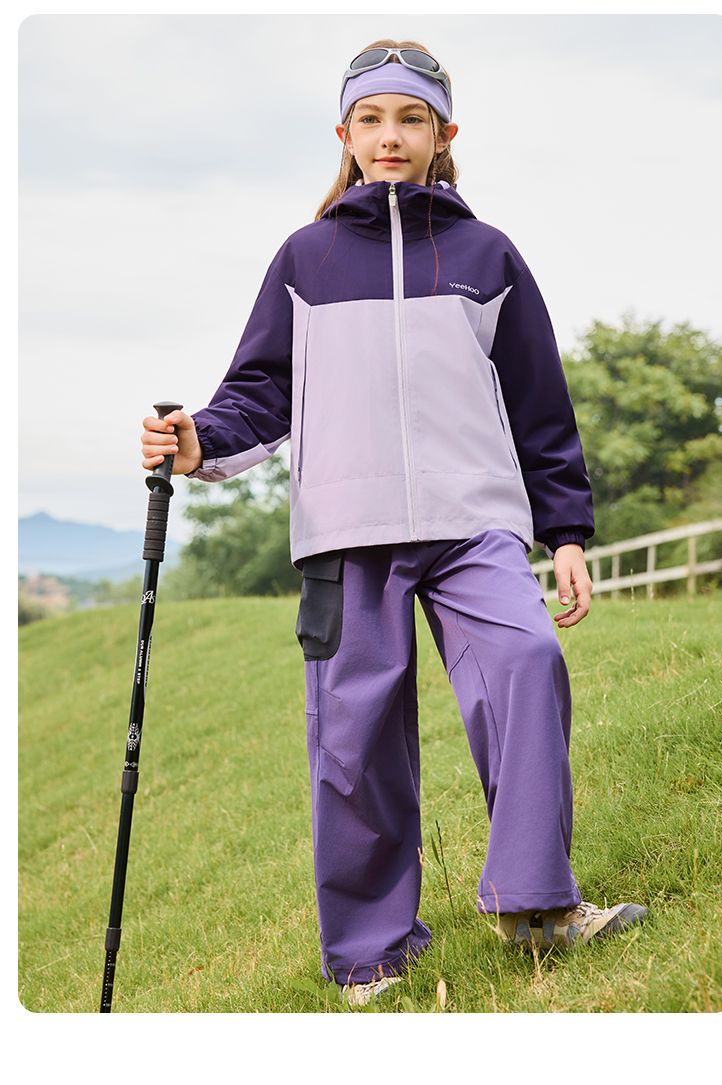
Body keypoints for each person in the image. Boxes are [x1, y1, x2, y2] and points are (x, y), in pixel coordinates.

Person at [140, 39, 648, 1007]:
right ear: (344, 133)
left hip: (474, 522)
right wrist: (197, 439)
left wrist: (567, 531)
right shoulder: (307, 258)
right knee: (355, 739)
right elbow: (259, 393)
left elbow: (541, 406)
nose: (390, 136)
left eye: (411, 118)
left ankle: (536, 904)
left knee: (527, 661)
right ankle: (371, 955)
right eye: (371, 118)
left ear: (444, 134)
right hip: (347, 529)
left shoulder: (488, 255)